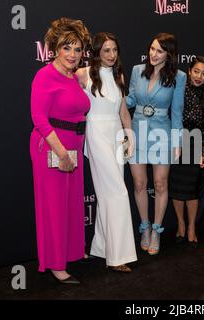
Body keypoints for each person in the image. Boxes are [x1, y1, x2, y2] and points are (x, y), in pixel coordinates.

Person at [30, 17, 91, 284]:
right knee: (53, 207)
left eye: (78, 49)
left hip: (74, 147)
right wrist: (63, 153)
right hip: (51, 147)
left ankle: (71, 252)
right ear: (55, 48)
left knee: (70, 206)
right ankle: (56, 265)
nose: (73, 54)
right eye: (67, 48)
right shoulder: (45, 75)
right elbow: (39, 119)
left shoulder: (74, 76)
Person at [76, 32, 138, 272]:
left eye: (114, 50)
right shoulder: (83, 74)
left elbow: (123, 111)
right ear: (97, 51)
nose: (112, 55)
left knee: (106, 194)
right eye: (106, 51)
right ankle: (117, 256)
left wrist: (129, 134)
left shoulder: (119, 75)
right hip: (96, 134)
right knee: (118, 193)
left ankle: (101, 247)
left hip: (115, 134)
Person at [126, 33, 186, 255]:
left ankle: (157, 231)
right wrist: (111, 99)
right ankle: (145, 226)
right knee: (139, 183)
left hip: (163, 134)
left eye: (159, 51)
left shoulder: (179, 77)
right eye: (152, 48)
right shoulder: (136, 71)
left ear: (169, 54)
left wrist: (178, 141)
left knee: (160, 184)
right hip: (137, 132)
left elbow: (177, 111)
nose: (153, 54)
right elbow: (131, 100)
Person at [168, 56, 204, 246]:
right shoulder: (178, 90)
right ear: (189, 71)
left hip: (196, 143)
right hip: (177, 141)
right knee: (177, 188)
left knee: (192, 189)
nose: (199, 76)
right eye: (196, 71)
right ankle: (181, 224)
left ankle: (191, 228)